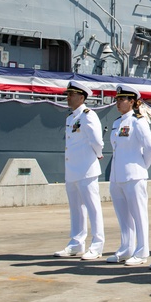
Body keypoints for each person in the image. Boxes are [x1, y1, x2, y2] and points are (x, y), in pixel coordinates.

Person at [54, 80, 106, 260]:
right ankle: (76, 243)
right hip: (72, 170)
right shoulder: (71, 118)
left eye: (71, 94)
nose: (68, 97)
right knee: (76, 209)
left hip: (86, 169)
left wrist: (98, 154)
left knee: (93, 208)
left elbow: (97, 141)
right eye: (67, 94)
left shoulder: (88, 115)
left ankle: (97, 246)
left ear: (81, 97)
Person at [108, 86, 151, 265]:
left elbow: (150, 148)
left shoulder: (138, 121)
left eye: (123, 99)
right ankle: (126, 248)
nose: (118, 102)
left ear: (133, 102)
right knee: (123, 215)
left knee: (139, 214)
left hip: (135, 175)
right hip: (117, 175)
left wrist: (142, 166)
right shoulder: (116, 122)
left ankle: (142, 251)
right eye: (117, 99)